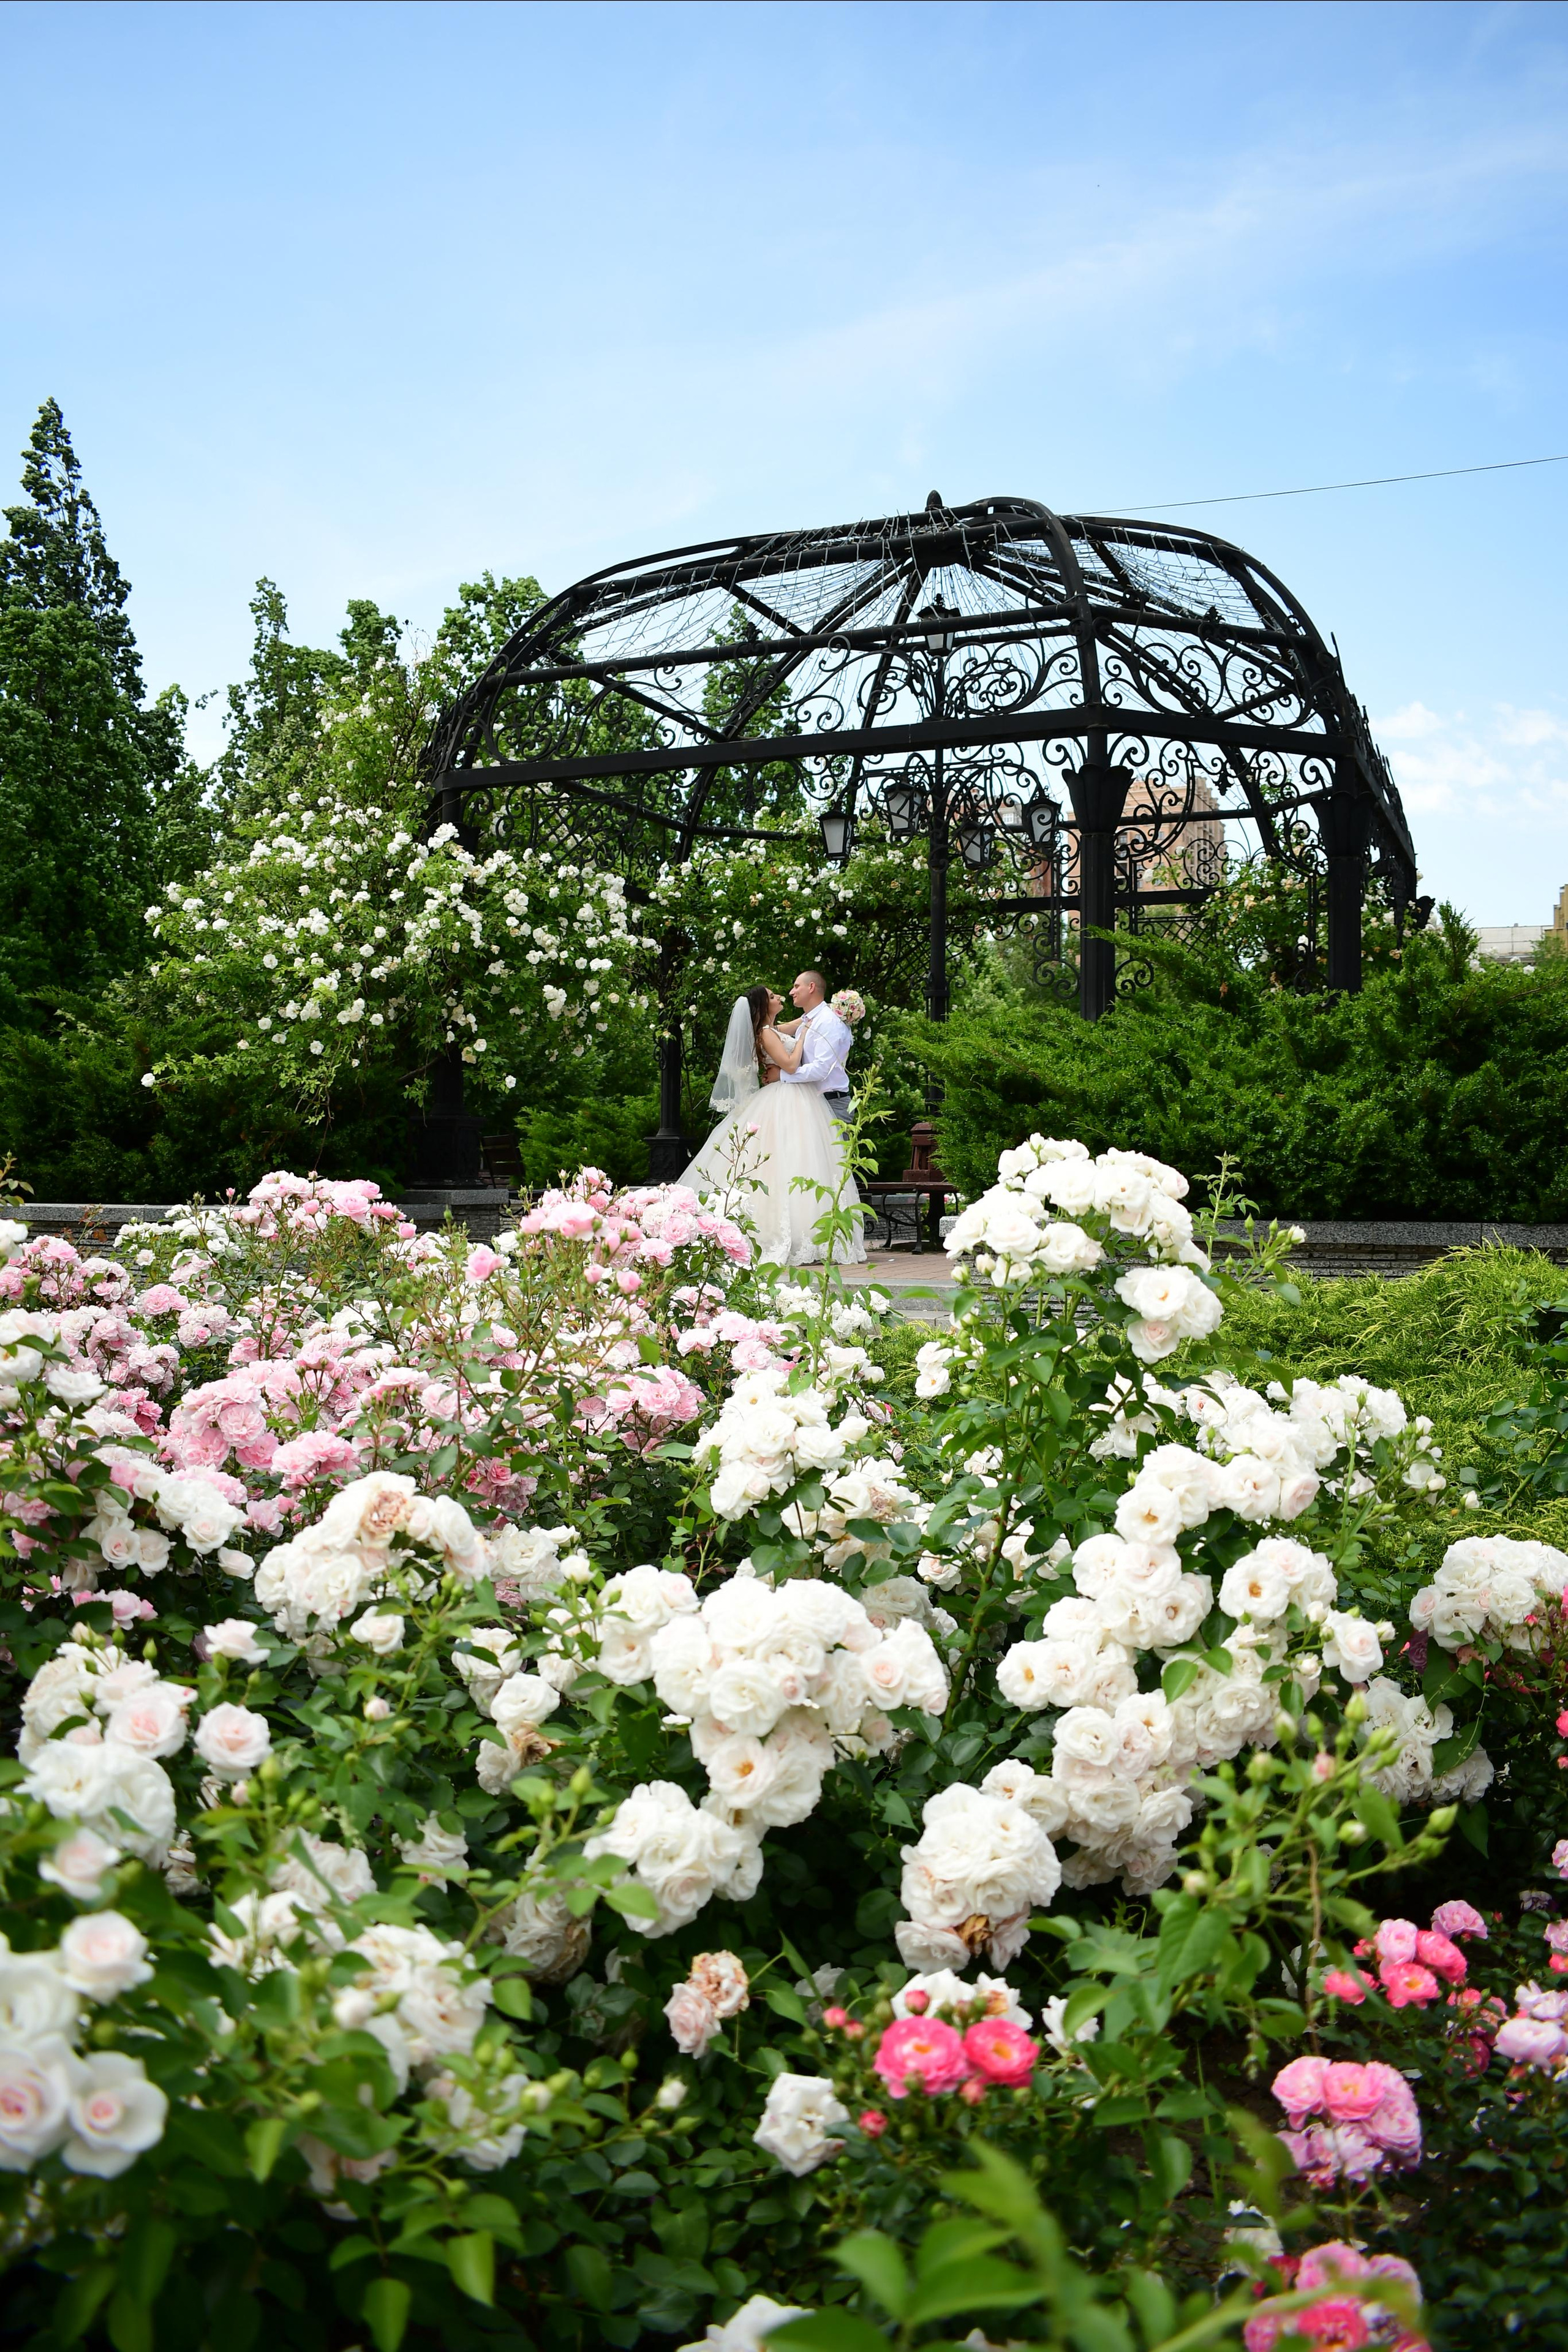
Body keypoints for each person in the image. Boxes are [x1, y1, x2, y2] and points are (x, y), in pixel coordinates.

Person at [677, 980, 865, 1266]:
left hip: (796, 1097)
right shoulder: (767, 1032)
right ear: (764, 1006)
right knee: (787, 1160)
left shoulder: (774, 1028)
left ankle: (817, 1229)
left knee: (802, 1158)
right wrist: (803, 1039)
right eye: (773, 996)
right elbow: (790, 1065)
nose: (781, 996)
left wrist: (815, 1020)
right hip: (786, 1097)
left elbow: (799, 1023)